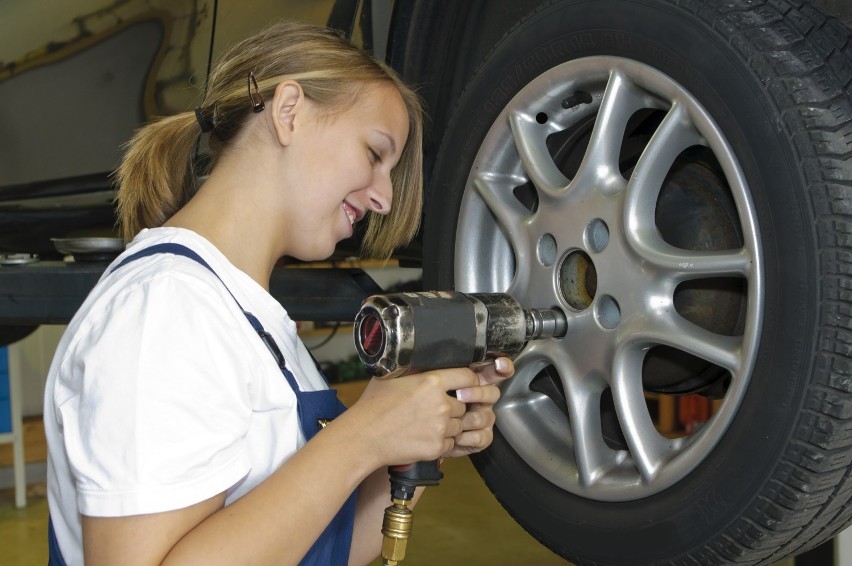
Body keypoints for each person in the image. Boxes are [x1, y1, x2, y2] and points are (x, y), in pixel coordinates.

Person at [43, 19, 513, 566]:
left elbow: (328, 546)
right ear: (289, 111)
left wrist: (411, 442)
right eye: (374, 153)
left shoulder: (248, 318)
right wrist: (362, 434)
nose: (384, 197)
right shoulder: (165, 313)